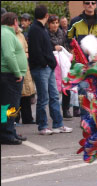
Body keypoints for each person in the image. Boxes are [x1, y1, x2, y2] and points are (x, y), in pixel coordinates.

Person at [28, 5, 73, 135]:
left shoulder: (40, 29)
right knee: (43, 98)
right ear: (46, 16)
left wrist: (50, 64)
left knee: (53, 96)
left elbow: (45, 48)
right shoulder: (36, 29)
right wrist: (46, 63)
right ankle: (42, 126)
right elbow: (36, 51)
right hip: (42, 68)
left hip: (47, 67)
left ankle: (58, 124)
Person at [67, 1, 97, 117]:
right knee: (83, 91)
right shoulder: (75, 22)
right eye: (87, 3)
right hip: (81, 64)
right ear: (83, 5)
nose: (90, 5)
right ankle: (86, 118)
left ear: (96, 5)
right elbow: (68, 38)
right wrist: (74, 51)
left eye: (92, 3)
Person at [1, 12, 28, 145]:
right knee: (11, 106)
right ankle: (7, 134)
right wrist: (17, 72)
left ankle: (9, 131)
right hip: (10, 76)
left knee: (6, 106)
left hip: (8, 75)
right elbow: (8, 55)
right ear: (15, 21)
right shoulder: (6, 33)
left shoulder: (5, 33)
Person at [47, 14, 72, 119]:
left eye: (57, 23)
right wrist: (53, 47)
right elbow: (45, 46)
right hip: (52, 62)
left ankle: (66, 109)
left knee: (67, 85)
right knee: (54, 88)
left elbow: (65, 44)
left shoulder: (62, 32)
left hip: (63, 61)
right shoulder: (46, 34)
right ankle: (55, 111)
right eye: (53, 23)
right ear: (49, 24)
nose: (55, 25)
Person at [15, 23, 36, 125]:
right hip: (12, 69)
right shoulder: (6, 35)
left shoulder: (20, 34)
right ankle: (10, 121)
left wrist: (26, 54)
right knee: (11, 99)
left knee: (26, 94)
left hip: (24, 67)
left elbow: (26, 47)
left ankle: (27, 118)